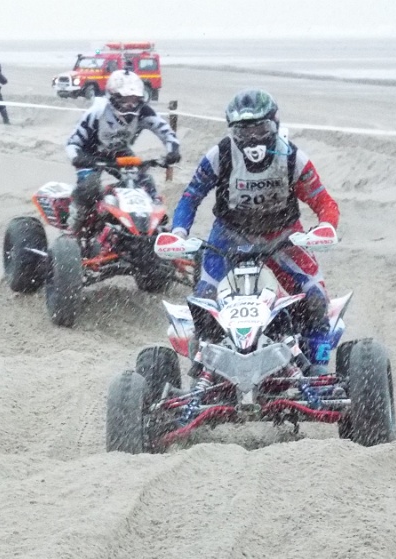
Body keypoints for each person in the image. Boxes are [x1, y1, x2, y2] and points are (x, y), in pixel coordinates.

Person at [170, 89, 340, 374]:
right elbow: (191, 196)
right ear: (232, 131)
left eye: (260, 129)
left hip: (283, 238)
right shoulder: (220, 155)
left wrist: (325, 227)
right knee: (205, 303)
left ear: (274, 124)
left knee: (315, 299)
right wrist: (178, 232)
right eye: (243, 131)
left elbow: (324, 202)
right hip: (228, 238)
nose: (253, 139)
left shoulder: (293, 158)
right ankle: (203, 369)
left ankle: (317, 368)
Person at [64, 69, 180, 235]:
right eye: (126, 99)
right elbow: (72, 142)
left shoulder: (143, 112)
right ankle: (74, 227)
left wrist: (173, 151)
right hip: (89, 154)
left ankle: (153, 223)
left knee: (145, 181)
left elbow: (166, 132)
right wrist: (77, 157)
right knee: (89, 188)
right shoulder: (98, 111)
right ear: (113, 96)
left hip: (119, 152)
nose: (130, 105)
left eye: (134, 99)